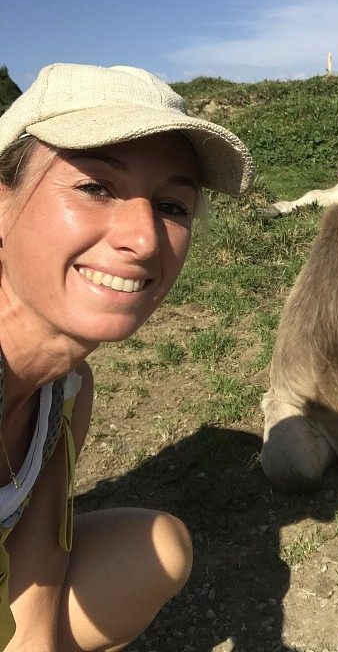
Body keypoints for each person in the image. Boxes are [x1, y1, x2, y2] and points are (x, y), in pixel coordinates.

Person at [0, 63, 255, 650]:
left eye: (172, 206)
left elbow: (41, 552)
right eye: (95, 187)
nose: (143, 239)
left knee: (158, 551)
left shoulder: (67, 389)